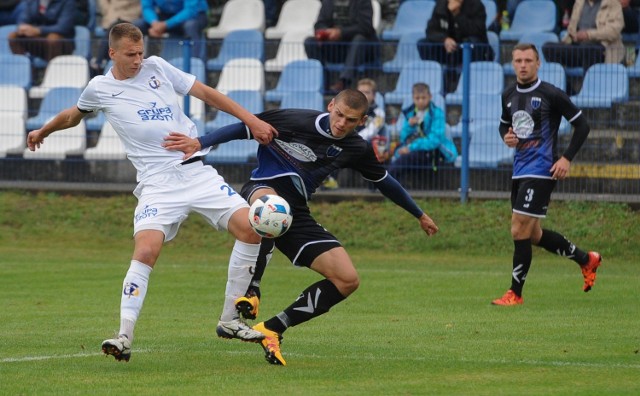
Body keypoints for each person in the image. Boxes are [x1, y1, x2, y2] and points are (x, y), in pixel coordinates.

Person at [25, 22, 279, 361]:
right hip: (157, 185)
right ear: (112, 53)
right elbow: (73, 115)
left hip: (197, 173)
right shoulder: (100, 88)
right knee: (145, 251)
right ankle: (124, 336)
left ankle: (229, 321)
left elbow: (207, 93)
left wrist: (253, 120)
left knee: (251, 228)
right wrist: (43, 130)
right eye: (130, 54)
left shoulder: (157, 67)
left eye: (140, 52)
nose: (138, 60)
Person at [163, 89, 440, 366]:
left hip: (297, 213)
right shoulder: (293, 119)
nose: (342, 123)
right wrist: (199, 142)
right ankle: (252, 290)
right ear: (331, 106)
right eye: (339, 114)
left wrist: (419, 214)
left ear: (362, 121)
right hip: (263, 189)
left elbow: (384, 181)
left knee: (347, 279)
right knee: (272, 209)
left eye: (351, 120)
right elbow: (243, 127)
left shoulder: (357, 148)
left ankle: (272, 328)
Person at [493, 43, 602, 306]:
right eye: (518, 60)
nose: (522, 65)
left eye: (528, 60)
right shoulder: (508, 94)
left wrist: (566, 158)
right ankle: (587, 260)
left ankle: (515, 294)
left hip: (542, 170)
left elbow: (582, 125)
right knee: (532, 235)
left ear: (538, 63)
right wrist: (506, 137)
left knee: (518, 228)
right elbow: (504, 127)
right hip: (520, 171)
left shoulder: (551, 93)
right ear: (512, 63)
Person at [387, 83, 457, 185]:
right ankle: (391, 185)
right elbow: (403, 137)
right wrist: (409, 126)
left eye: (423, 98)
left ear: (430, 97)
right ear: (413, 98)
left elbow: (435, 140)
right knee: (400, 156)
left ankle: (387, 183)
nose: (420, 101)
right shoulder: (410, 113)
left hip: (433, 151)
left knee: (407, 158)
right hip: (414, 151)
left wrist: (411, 147)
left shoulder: (437, 113)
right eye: (417, 98)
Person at [304, 0, 380, 92]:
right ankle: (324, 80)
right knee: (309, 42)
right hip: (336, 48)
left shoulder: (363, 2)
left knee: (359, 39)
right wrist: (326, 32)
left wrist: (341, 32)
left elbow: (365, 27)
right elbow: (319, 24)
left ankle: (344, 81)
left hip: (362, 50)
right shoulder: (328, 2)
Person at [417, 0, 493, 92]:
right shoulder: (440, 6)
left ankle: (465, 79)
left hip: (468, 50)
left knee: (472, 42)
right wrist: (444, 39)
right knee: (423, 44)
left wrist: (457, 14)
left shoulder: (476, 5)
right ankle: (437, 77)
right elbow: (430, 31)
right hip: (446, 49)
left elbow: (477, 31)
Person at [542, 0, 624, 71]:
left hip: (601, 48)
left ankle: (589, 86)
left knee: (587, 48)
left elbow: (613, 31)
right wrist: (571, 37)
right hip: (579, 47)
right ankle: (564, 87)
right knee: (548, 48)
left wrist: (588, 35)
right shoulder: (579, 2)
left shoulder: (613, 3)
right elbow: (572, 28)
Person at [132, 0, 208, 59]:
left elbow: (190, 10)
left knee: (190, 26)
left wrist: (166, 24)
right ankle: (136, 60)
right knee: (137, 26)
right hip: (166, 16)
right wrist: (154, 23)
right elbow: (147, 8)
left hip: (194, 16)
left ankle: (195, 62)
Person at [8, 0, 76, 61]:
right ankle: (28, 70)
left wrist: (38, 30)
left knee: (53, 38)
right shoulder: (32, 1)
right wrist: (23, 27)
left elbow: (63, 27)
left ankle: (51, 71)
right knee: (13, 36)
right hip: (38, 39)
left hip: (62, 42)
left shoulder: (68, 2)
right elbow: (23, 19)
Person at [90, 0, 142, 74]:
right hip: (112, 14)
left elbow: (142, 5)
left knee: (115, 28)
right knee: (114, 29)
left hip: (131, 16)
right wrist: (107, 10)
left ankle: (99, 62)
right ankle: (101, 62)